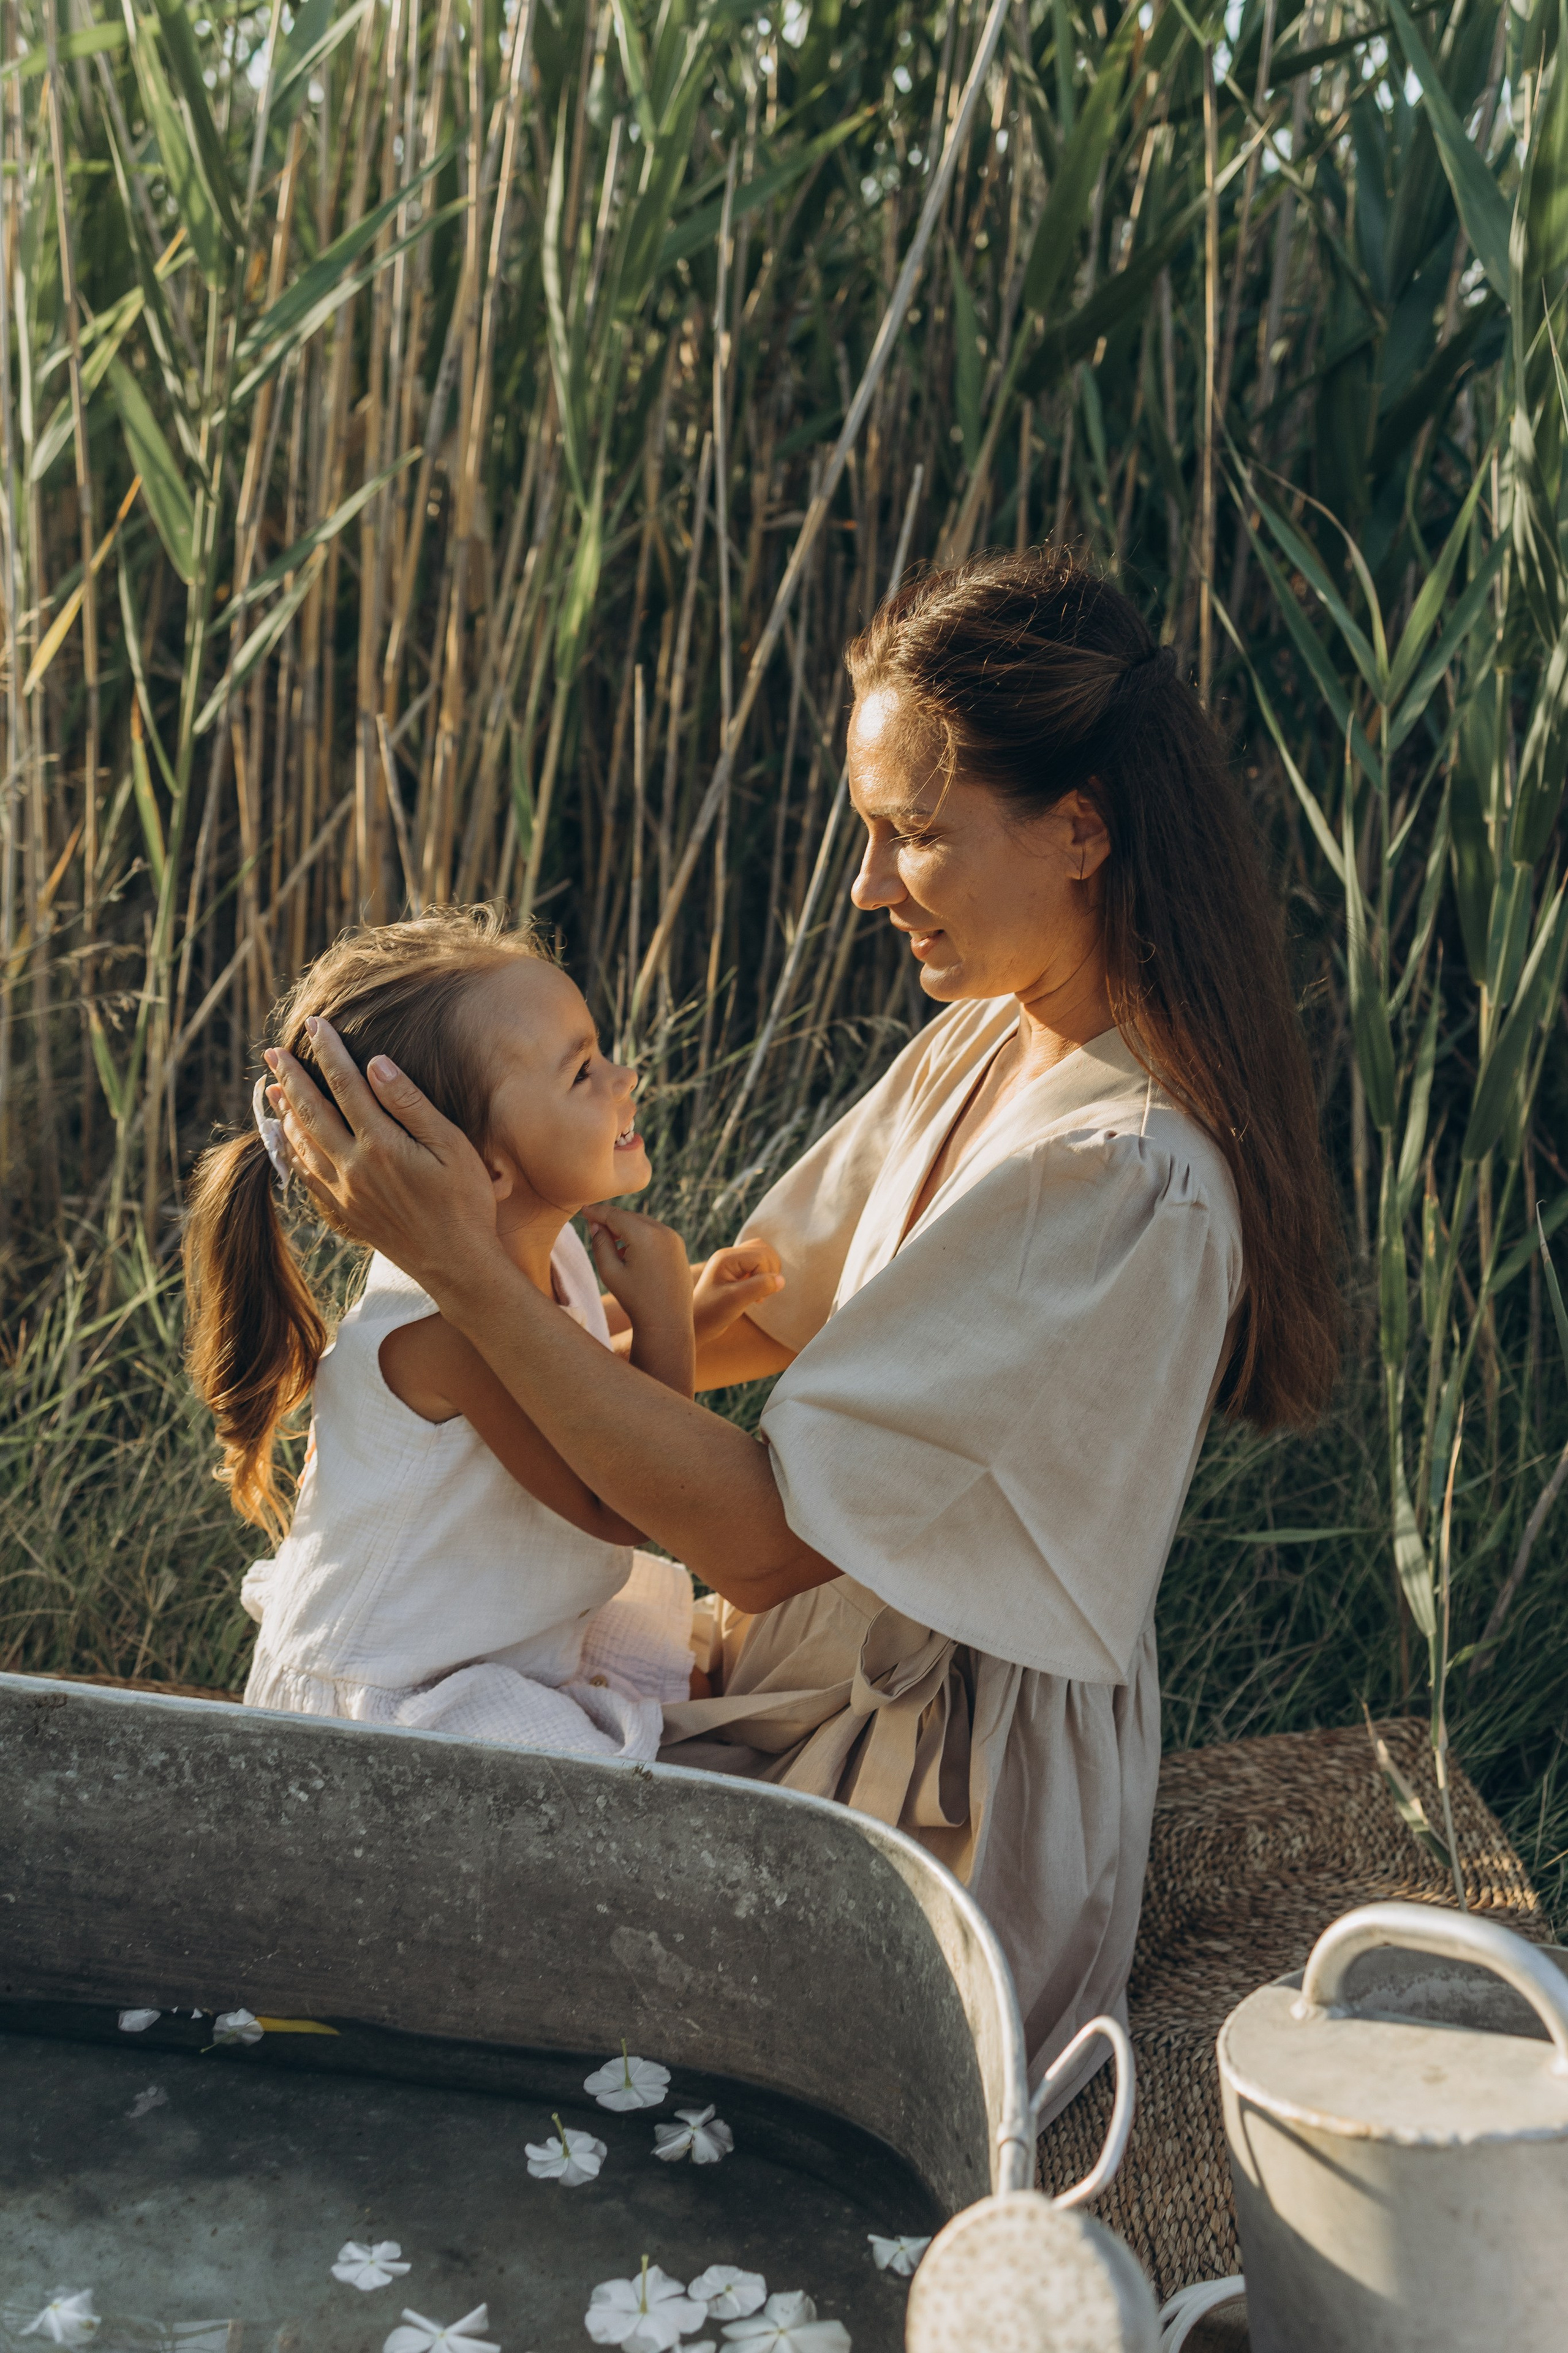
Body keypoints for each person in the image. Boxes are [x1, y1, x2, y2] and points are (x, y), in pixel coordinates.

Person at [262, 551, 1341, 2113]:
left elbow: (765, 1543)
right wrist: (471, 1281)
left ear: (1081, 830)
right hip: (812, 1675)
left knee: (462, 2028)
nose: (865, 886)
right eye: (868, 832)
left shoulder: (1124, 1184)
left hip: (943, 1791)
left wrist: (466, 1270)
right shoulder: (987, 1041)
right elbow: (749, 1299)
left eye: (914, 836)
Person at [184, 907, 782, 1760]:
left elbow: (565, 1374)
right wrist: (662, 1331)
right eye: (582, 1073)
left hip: (480, 1630)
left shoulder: (543, 1248)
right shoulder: (444, 1332)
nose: (626, 1077)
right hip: (395, 1700)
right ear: (483, 1165)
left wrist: (691, 1307)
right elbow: (615, 1502)